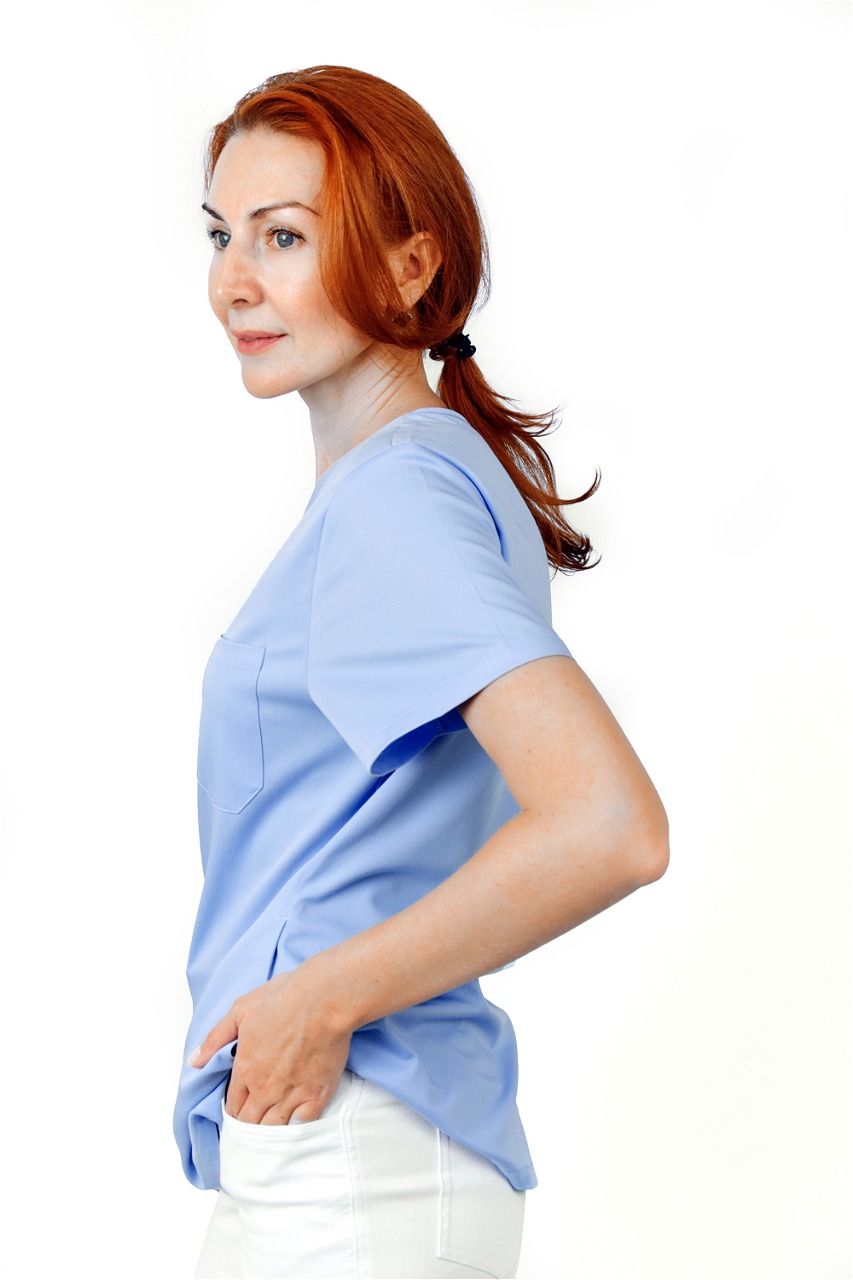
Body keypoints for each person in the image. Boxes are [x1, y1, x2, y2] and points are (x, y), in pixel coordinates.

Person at [174, 65, 669, 1280]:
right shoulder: (411, 479)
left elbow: (609, 824)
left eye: (284, 236)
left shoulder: (397, 497)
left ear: (409, 267)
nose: (235, 279)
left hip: (353, 1144)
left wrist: (317, 999)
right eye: (222, 234)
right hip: (329, 1139)